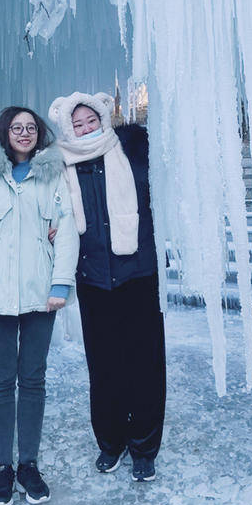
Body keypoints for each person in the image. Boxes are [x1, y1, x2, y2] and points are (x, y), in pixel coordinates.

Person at [0, 106, 78, 505]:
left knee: (33, 378)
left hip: (40, 293)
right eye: (16, 127)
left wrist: (60, 282)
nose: (24, 133)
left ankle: (28, 463)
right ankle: (2, 467)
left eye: (30, 127)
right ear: (4, 134)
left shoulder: (52, 178)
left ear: (39, 134)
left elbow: (67, 231)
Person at [48, 91, 166, 482]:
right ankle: (110, 442)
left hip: (138, 274)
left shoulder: (131, 152)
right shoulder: (61, 166)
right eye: (76, 124)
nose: (84, 129)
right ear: (67, 128)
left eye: (90, 121)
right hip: (94, 280)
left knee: (144, 364)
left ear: (102, 119)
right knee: (104, 367)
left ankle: (144, 447)